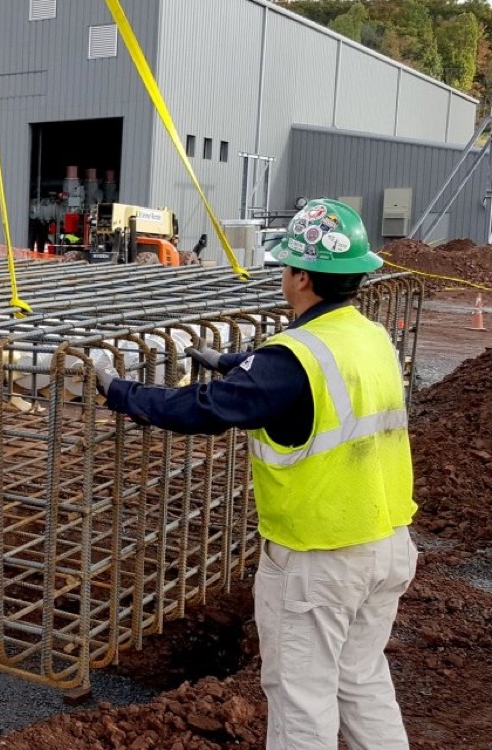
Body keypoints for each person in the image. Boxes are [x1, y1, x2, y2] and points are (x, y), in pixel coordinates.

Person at [91, 198, 418, 750]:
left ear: (303, 278)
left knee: (301, 699)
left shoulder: (294, 359)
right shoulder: (369, 336)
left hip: (321, 561)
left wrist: (117, 389)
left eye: (288, 268)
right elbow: (295, 375)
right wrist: (236, 363)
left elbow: (203, 409)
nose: (283, 277)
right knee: (360, 680)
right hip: (386, 544)